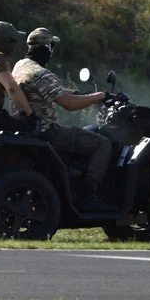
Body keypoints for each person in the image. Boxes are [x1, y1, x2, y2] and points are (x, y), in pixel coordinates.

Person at [11, 27, 120, 211]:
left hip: (25, 127)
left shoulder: (20, 66)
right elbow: (69, 104)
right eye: (52, 46)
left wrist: (83, 94)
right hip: (47, 131)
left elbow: (56, 91)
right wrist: (100, 96)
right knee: (102, 144)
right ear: (47, 48)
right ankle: (89, 196)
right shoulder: (41, 73)